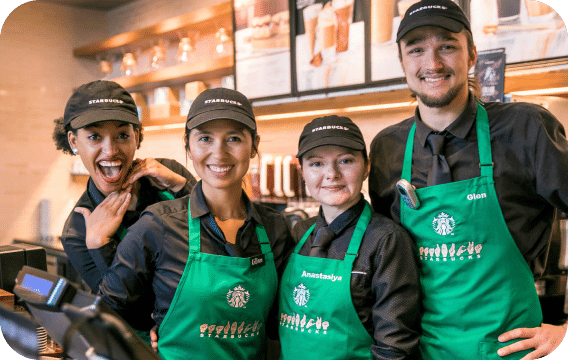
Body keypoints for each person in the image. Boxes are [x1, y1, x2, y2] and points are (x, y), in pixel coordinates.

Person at [368, 1, 568, 359]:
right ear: (401, 63)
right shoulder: (387, 148)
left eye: (447, 45)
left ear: (472, 53)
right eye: (416, 50)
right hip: (420, 351)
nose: (432, 63)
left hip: (511, 351)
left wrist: (566, 332)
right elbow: (388, 262)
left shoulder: (526, 128)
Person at [89, 88, 295, 360]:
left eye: (233, 138)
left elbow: (279, 326)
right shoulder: (158, 225)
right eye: (205, 139)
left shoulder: (275, 228)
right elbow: (110, 313)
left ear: (254, 145)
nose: (218, 153)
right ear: (188, 146)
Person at [279, 115, 421, 359]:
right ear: (302, 171)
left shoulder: (387, 240)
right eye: (316, 164)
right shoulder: (297, 233)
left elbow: (395, 347)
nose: (331, 174)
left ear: (366, 166)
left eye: (345, 161)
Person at [54, 80, 197, 296]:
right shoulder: (77, 231)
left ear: (137, 137)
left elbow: (220, 235)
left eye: (122, 135)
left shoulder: (170, 175)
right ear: (74, 142)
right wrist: (99, 245)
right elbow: (126, 306)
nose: (110, 150)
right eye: (94, 137)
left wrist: (182, 187)